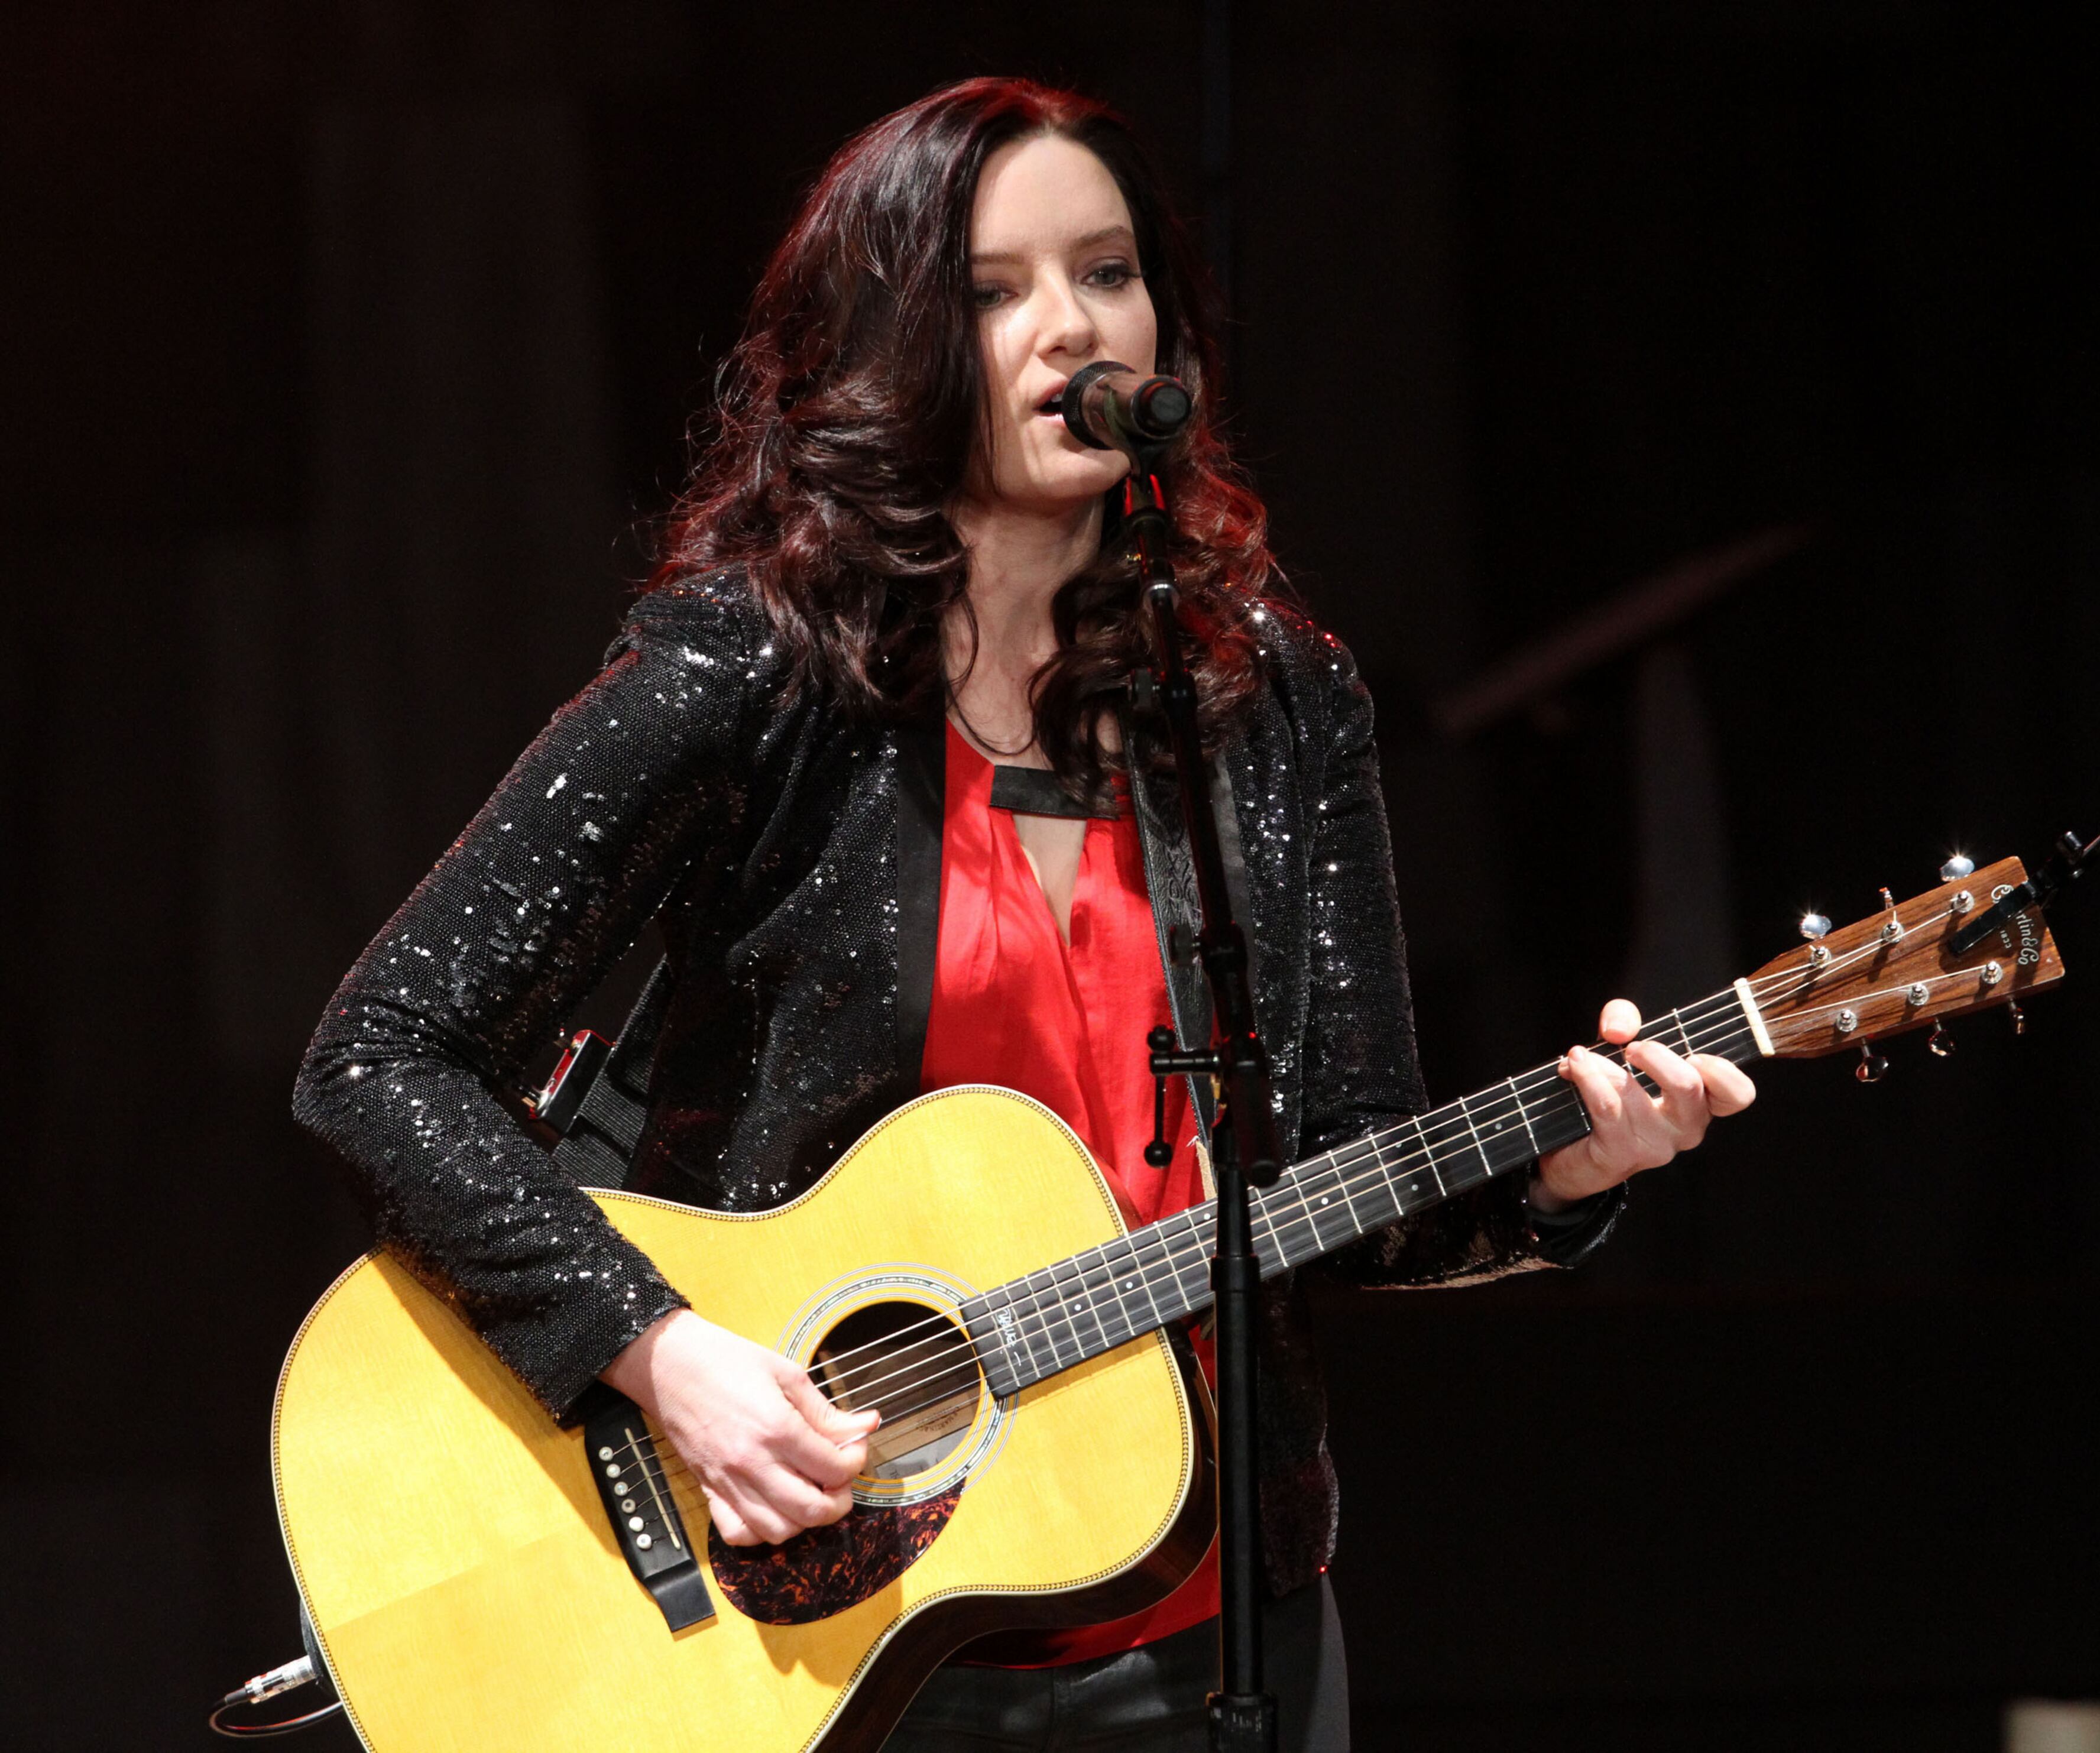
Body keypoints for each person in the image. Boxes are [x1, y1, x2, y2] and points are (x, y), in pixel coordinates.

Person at [294, 77, 1755, 1753]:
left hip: (1217, 1621)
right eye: (996, 291)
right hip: (822, 1616)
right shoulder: (757, 673)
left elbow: (1342, 1187)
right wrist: (655, 1349)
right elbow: (377, 1056)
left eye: (1110, 273)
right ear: (885, 346)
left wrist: (1564, 1176)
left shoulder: (1274, 703)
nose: (1074, 327)